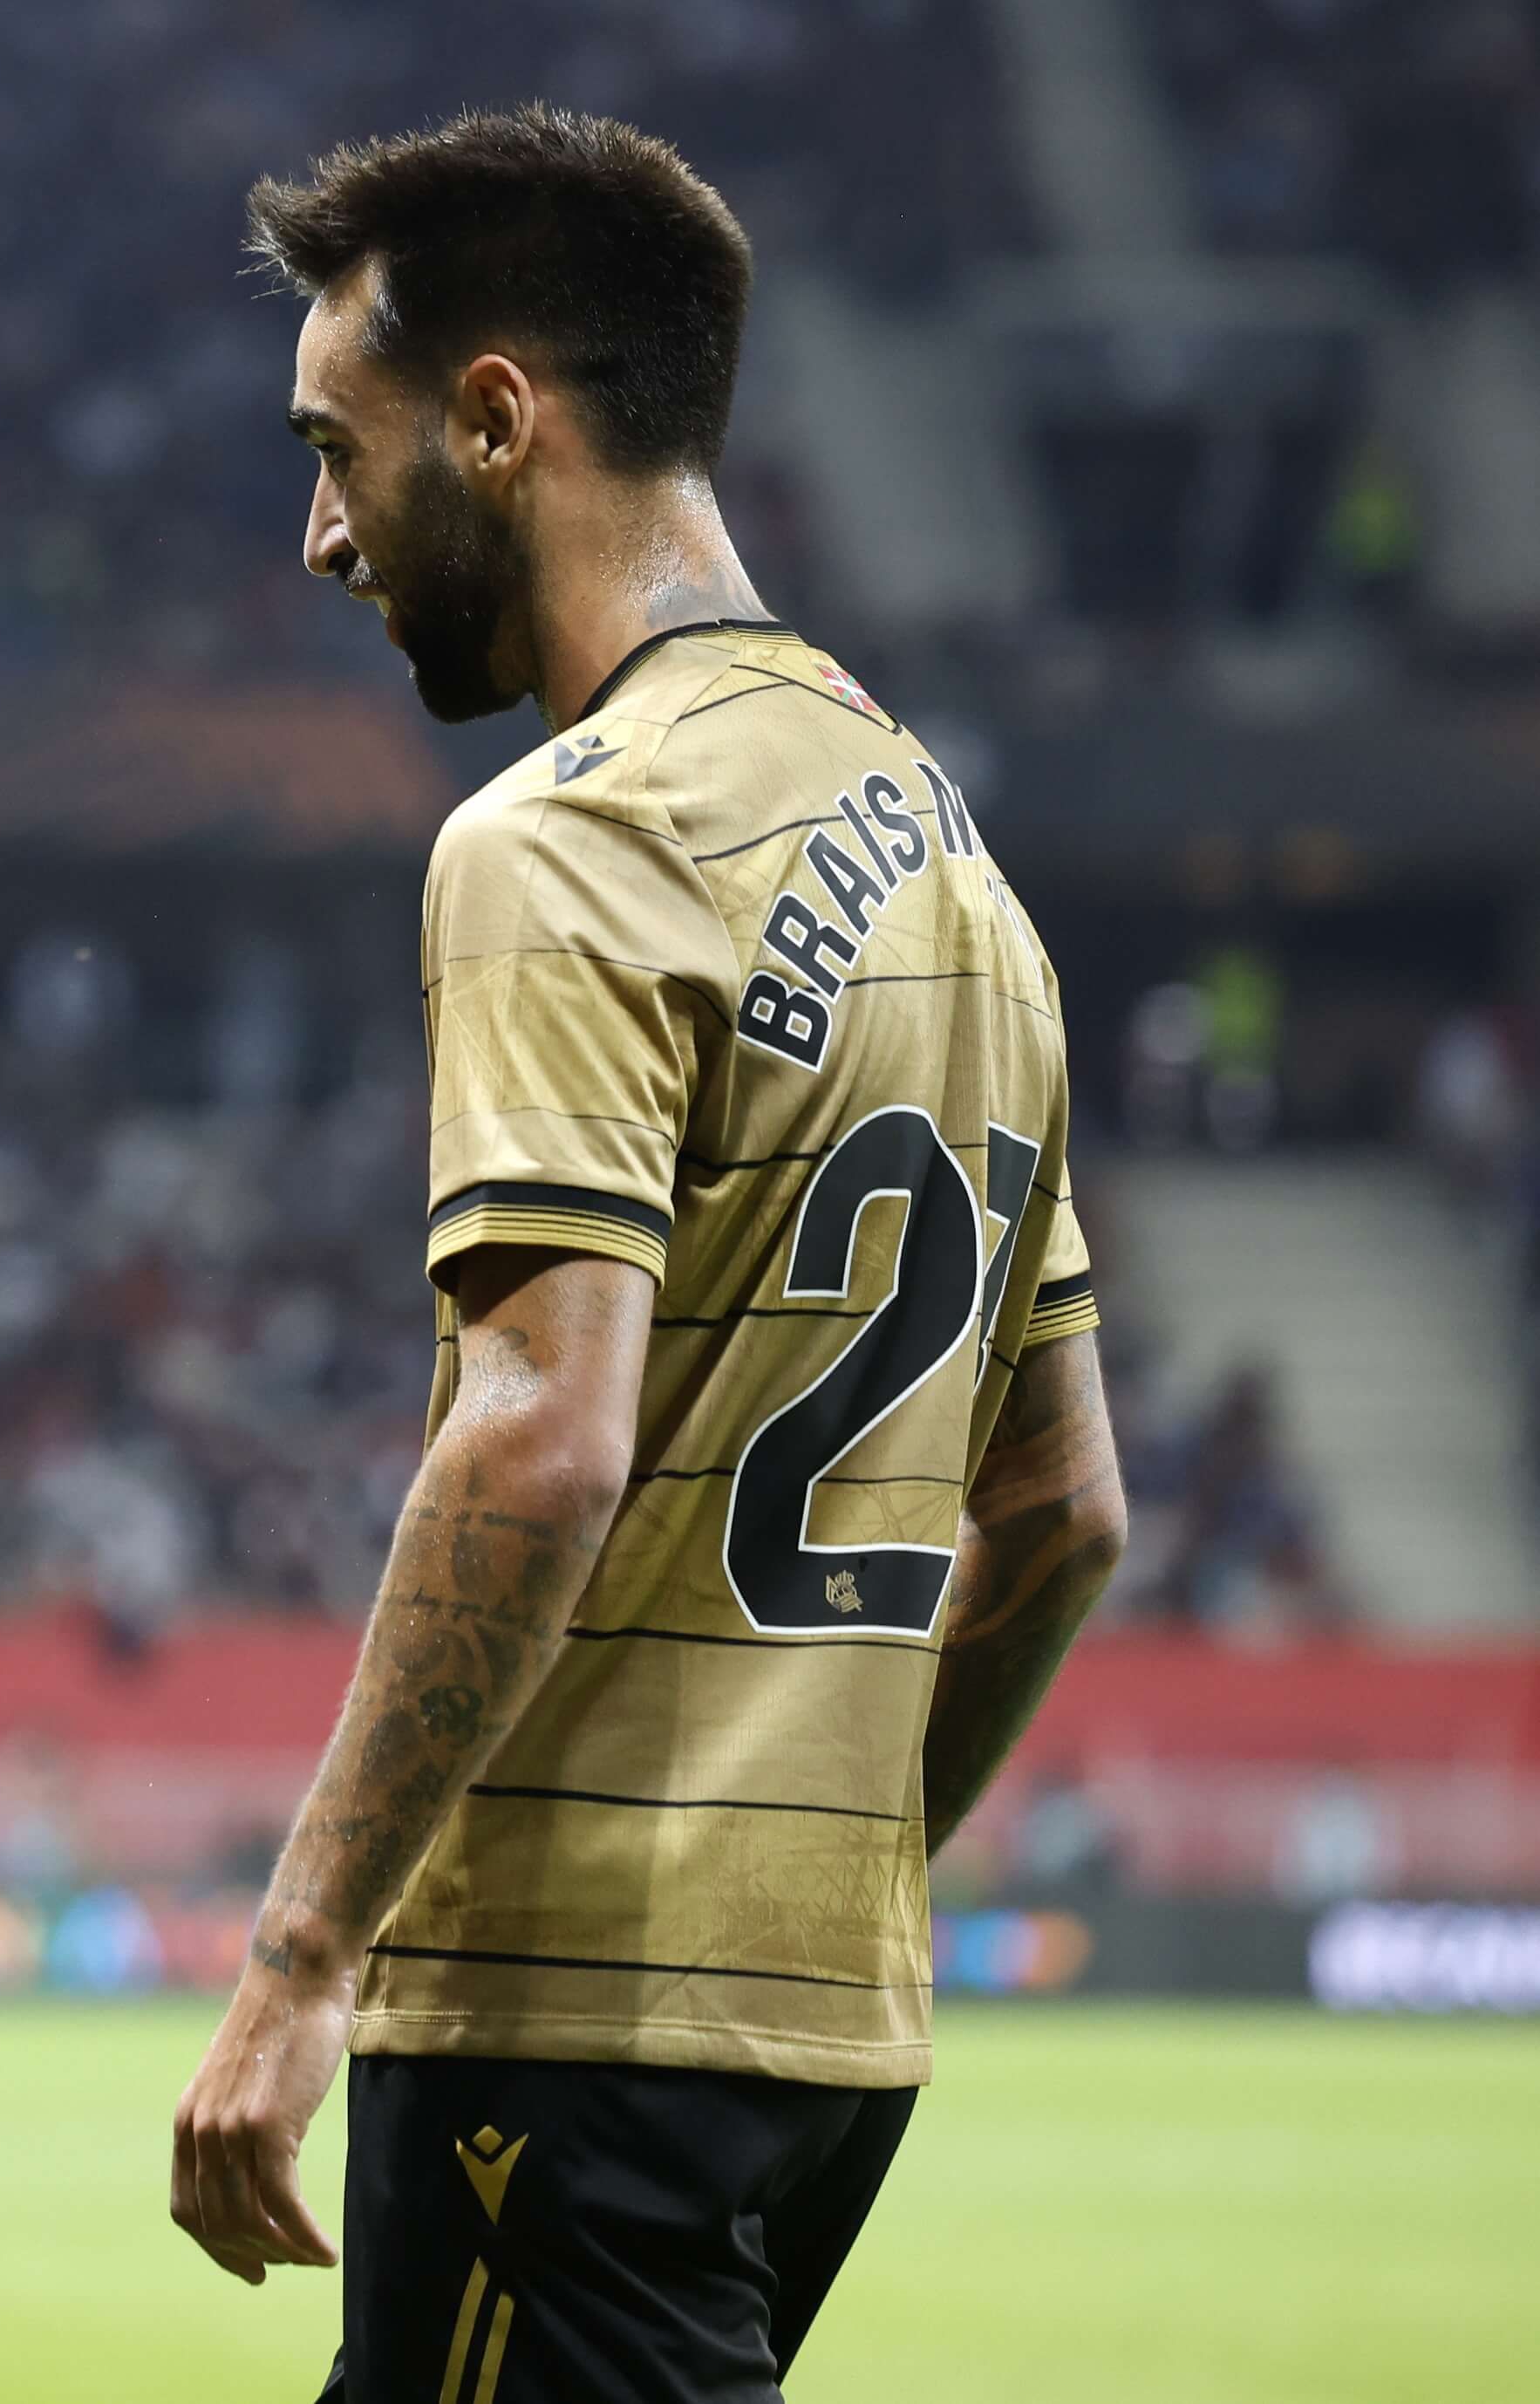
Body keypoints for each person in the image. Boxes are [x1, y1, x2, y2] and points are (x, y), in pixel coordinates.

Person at [168, 109, 1128, 2403]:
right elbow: (1062, 1513)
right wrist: (830, 1859)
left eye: (334, 446)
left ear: (494, 418)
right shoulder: (950, 875)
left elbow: (532, 1434)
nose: (313, 529)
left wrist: (299, 1956)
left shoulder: (572, 841)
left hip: (558, 2015)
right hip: (814, 2037)